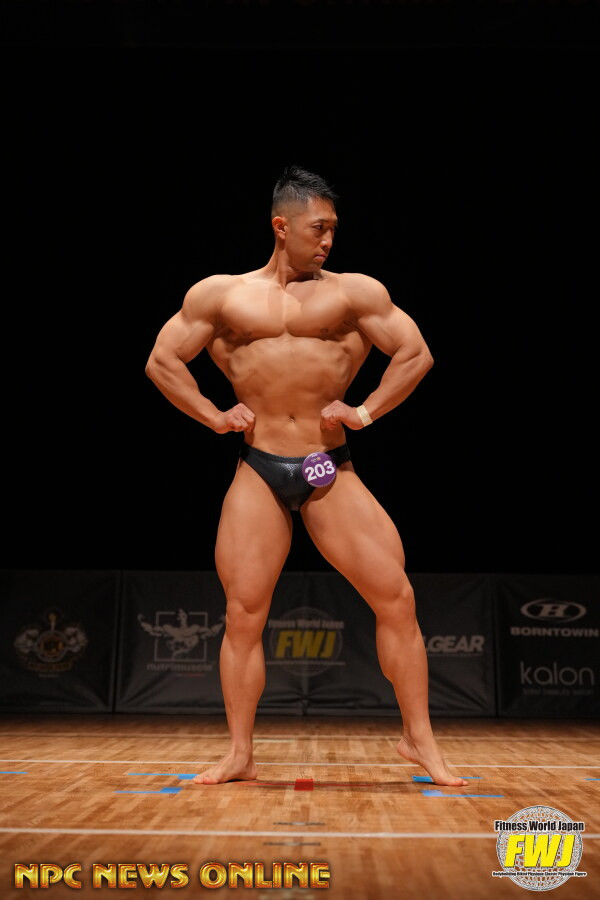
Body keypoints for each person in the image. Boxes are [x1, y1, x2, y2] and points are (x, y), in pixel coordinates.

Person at [145, 165, 468, 788]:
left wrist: (364, 412)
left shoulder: (355, 294)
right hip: (260, 467)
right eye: (318, 228)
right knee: (244, 612)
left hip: (327, 465)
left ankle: (418, 740)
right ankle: (240, 753)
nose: (328, 240)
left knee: (396, 598)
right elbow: (162, 360)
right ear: (281, 226)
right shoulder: (222, 295)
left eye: (333, 229)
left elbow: (416, 353)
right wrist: (213, 416)